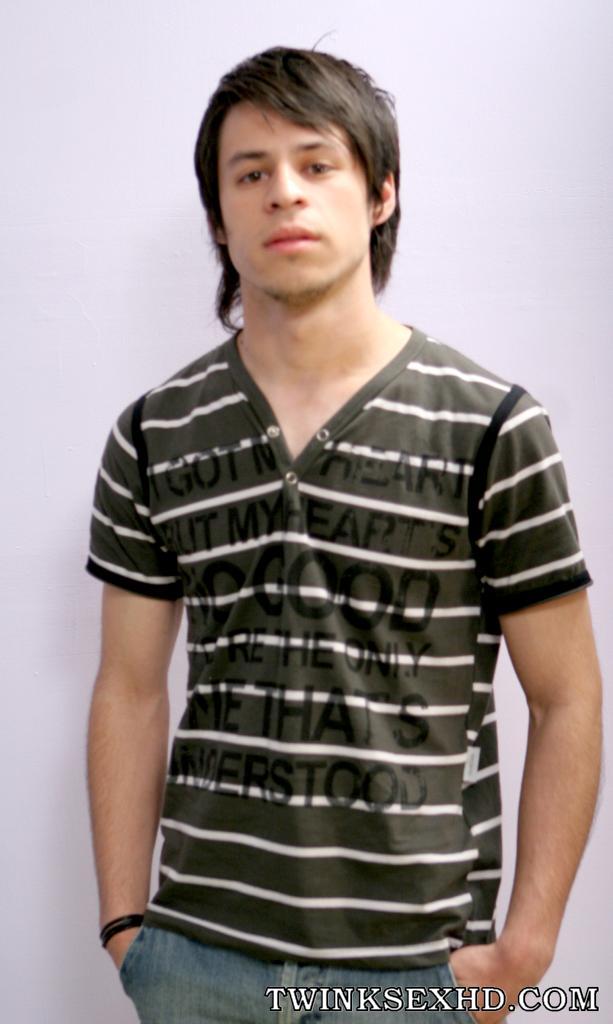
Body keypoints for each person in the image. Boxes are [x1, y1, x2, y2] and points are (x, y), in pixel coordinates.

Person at [85, 46, 602, 1023]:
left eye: (316, 163)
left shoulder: (490, 427)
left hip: (411, 971)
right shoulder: (154, 433)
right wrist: (126, 925)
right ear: (218, 218)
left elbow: (566, 695)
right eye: (250, 173)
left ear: (380, 194)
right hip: (196, 958)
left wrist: (525, 947)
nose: (283, 191)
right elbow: (128, 686)